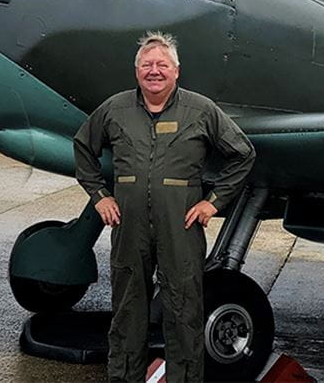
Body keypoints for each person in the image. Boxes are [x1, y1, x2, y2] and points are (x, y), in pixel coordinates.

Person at [73, 31, 255, 382]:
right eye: (147, 65)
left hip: (180, 227)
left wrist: (213, 203)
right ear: (137, 71)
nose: (154, 71)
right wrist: (99, 195)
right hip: (129, 227)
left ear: (176, 71)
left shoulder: (201, 110)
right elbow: (83, 147)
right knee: (127, 311)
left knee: (184, 311)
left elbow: (243, 154)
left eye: (162, 65)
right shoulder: (115, 109)